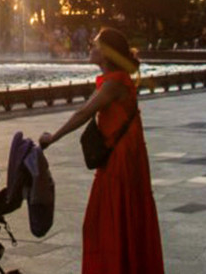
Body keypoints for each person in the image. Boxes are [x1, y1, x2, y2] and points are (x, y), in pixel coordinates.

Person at [39, 28, 164, 273]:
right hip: (124, 155)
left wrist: (52, 138)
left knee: (108, 218)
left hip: (120, 160)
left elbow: (83, 113)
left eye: (94, 45)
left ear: (105, 53)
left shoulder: (115, 83)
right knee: (116, 217)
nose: (90, 48)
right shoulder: (115, 80)